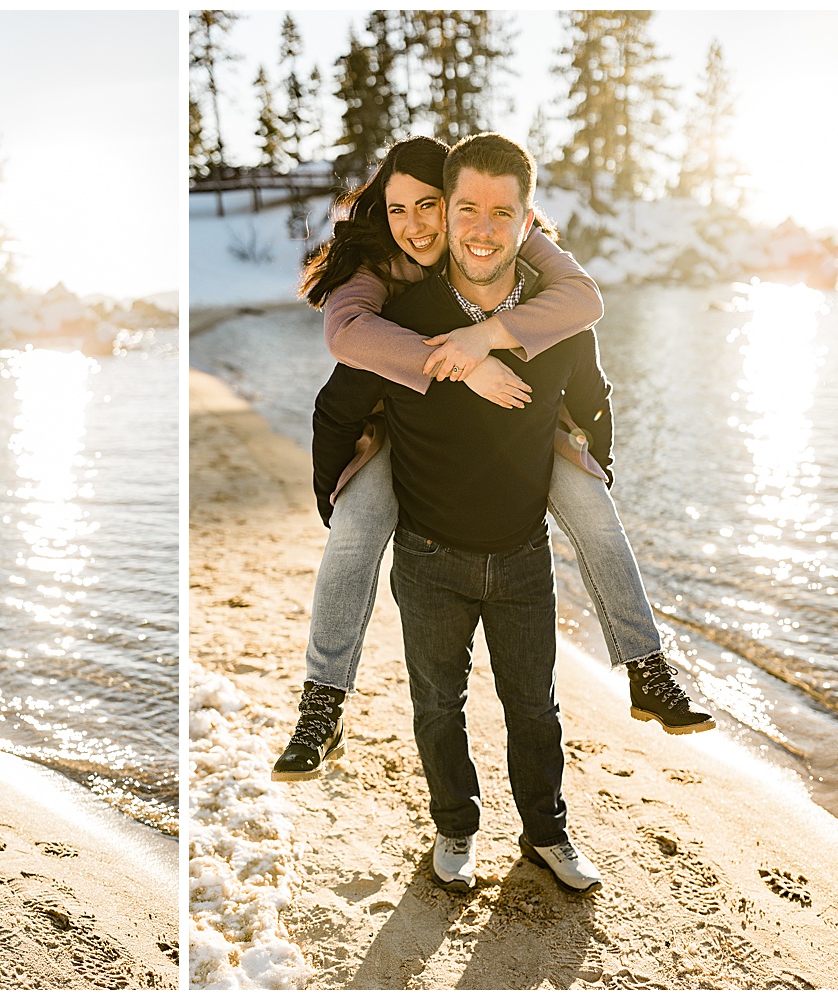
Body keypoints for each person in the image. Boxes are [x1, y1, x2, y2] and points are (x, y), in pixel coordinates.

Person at [273, 136, 712, 782]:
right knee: (354, 532)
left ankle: (646, 667)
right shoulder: (382, 268)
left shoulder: (499, 228)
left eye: (430, 206)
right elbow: (343, 345)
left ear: (454, 204)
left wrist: (487, 338)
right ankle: (324, 700)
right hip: (397, 429)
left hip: (522, 433)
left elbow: (585, 302)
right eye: (400, 210)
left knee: (593, 501)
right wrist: (465, 366)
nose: (417, 226)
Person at [311, 133, 606, 894]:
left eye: (435, 206)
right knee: (438, 702)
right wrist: (331, 488)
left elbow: (587, 350)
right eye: (405, 207)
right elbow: (339, 376)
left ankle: (547, 832)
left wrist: (591, 443)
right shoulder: (394, 296)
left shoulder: (531, 275)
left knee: (534, 706)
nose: (430, 223)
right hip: (430, 551)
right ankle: (455, 825)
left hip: (520, 552)